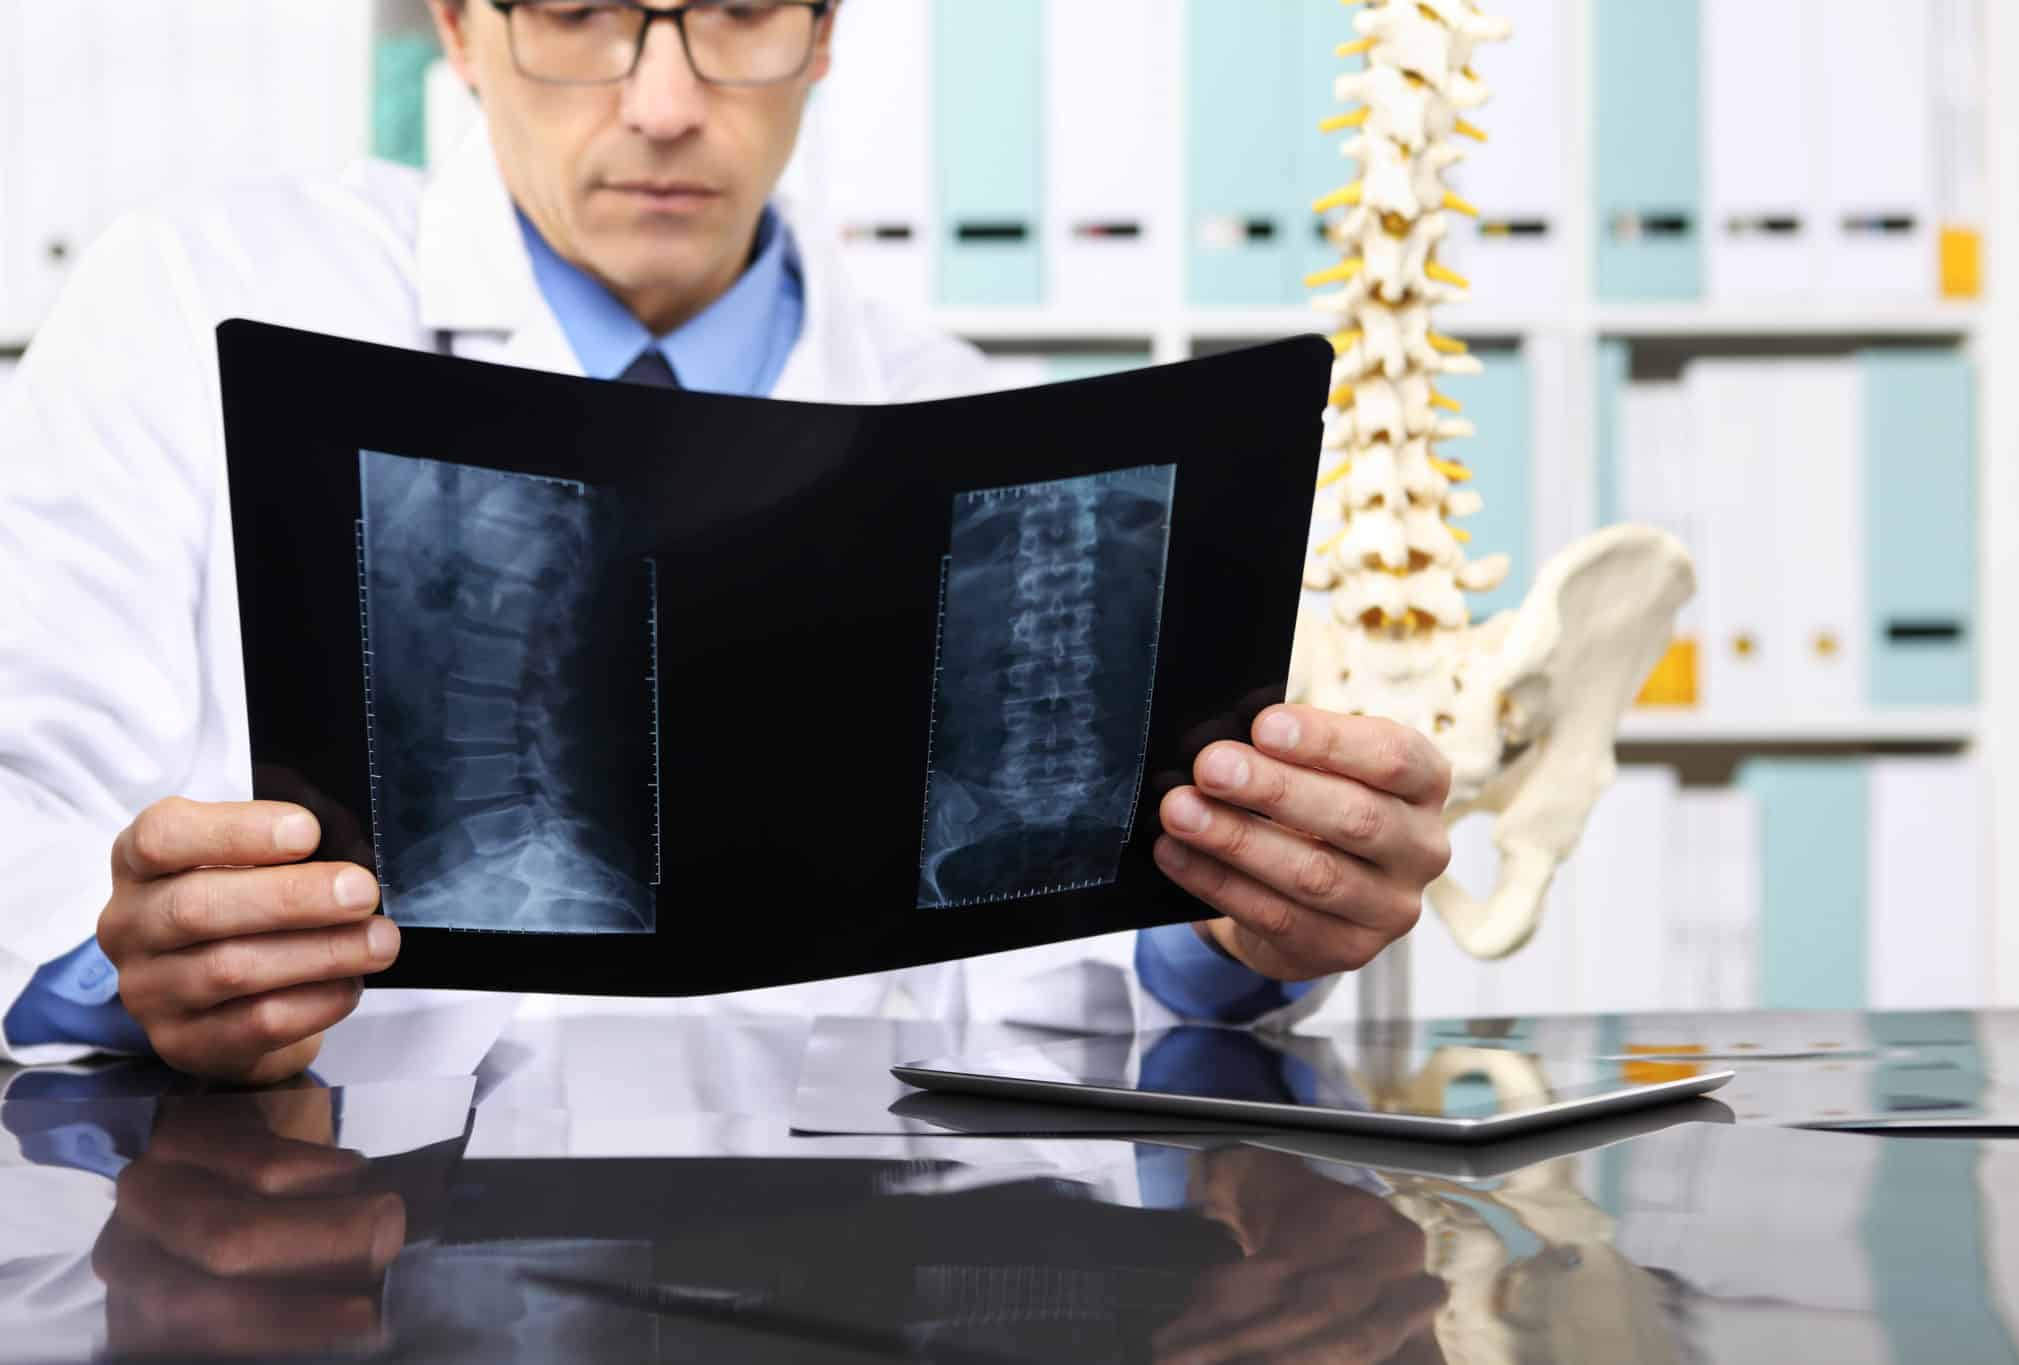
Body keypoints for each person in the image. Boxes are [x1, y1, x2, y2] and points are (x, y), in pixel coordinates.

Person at [0, 0, 1452, 1083]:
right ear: (462, 27)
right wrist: (124, 971)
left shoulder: (955, 414)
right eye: (579, 16)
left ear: (823, 38)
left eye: (739, 15)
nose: (665, 103)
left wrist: (1244, 914)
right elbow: (25, 830)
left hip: (817, 1273)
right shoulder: (193, 298)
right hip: (301, 1239)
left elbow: (1032, 956)